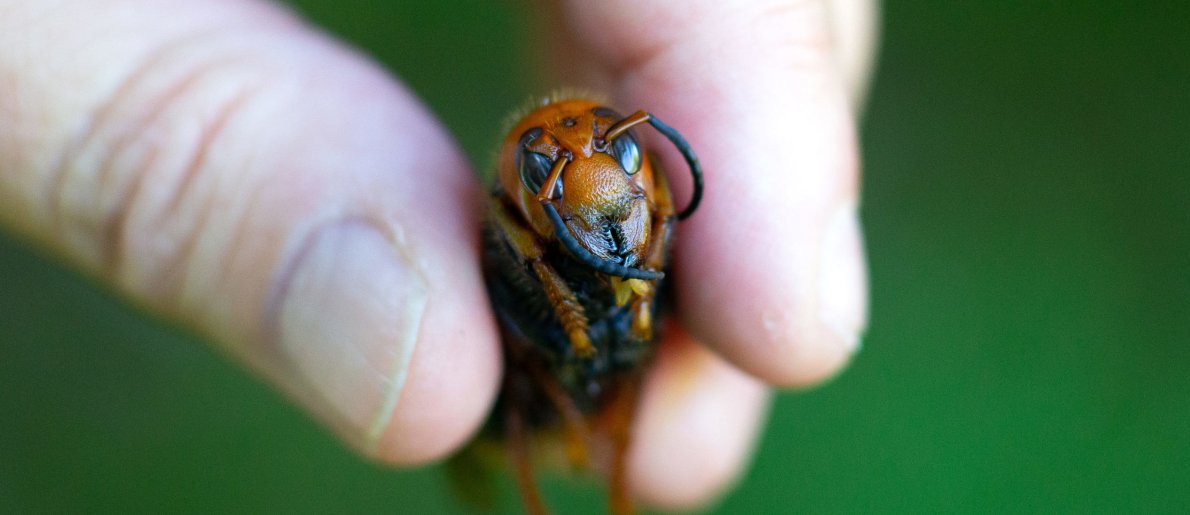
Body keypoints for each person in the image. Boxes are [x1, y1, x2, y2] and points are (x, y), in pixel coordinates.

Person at [0, 0, 873, 509]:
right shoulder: (524, 244)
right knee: (495, 397)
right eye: (554, 172)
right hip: (524, 396)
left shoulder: (627, 197)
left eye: (623, 159)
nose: (598, 183)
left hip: (602, 370)